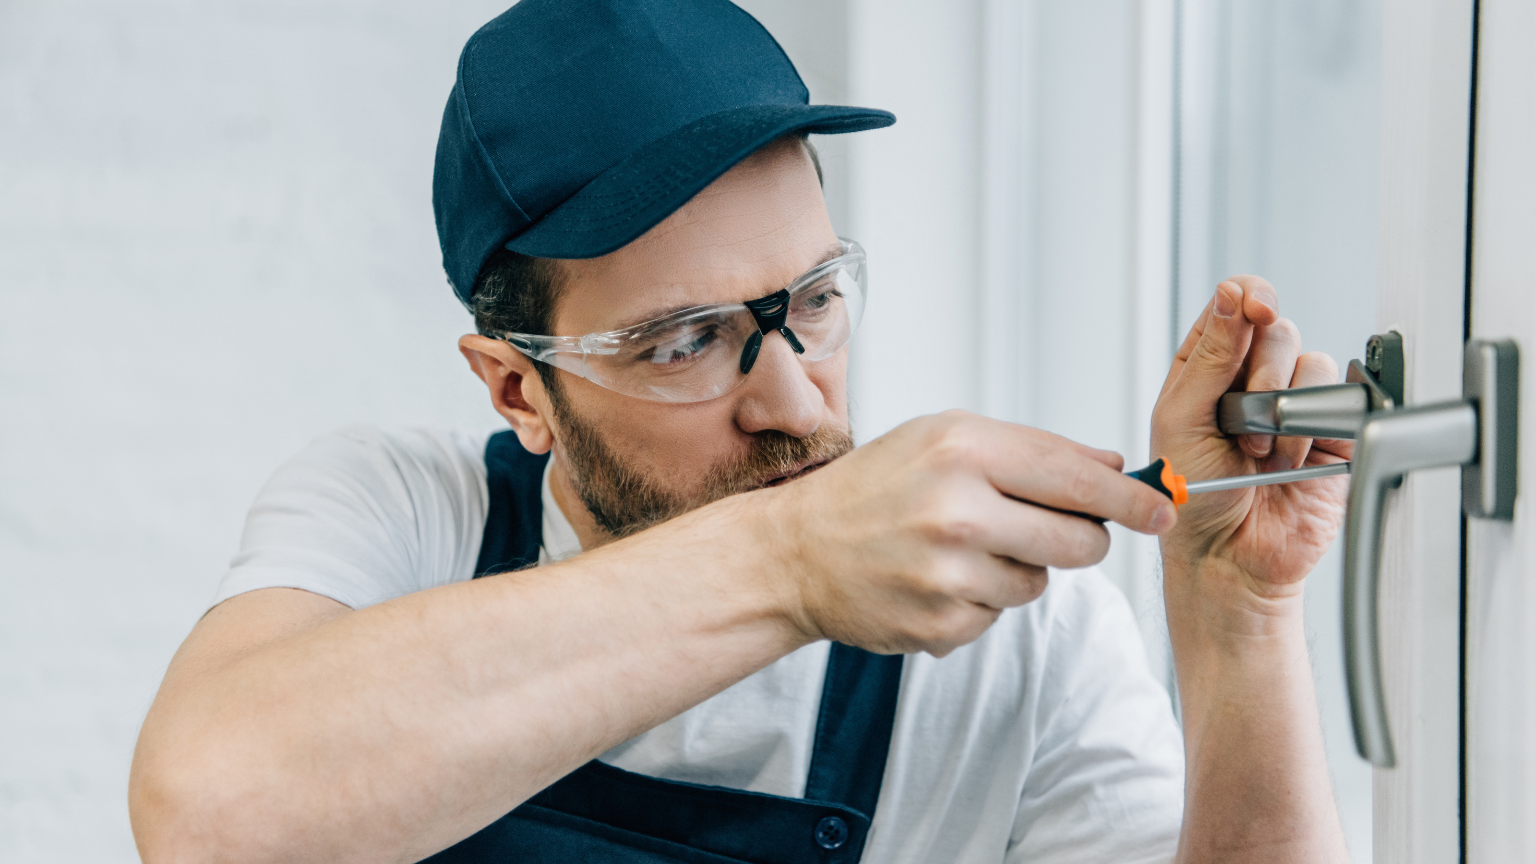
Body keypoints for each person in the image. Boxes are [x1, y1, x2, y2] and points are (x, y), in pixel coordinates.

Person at [128, 1, 1353, 862]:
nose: (797, 402)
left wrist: (1240, 623)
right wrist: (795, 558)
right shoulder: (405, 516)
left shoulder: (1016, 641)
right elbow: (213, 818)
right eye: (684, 342)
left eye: (813, 303)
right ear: (514, 390)